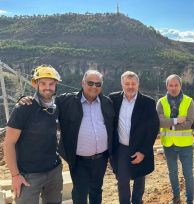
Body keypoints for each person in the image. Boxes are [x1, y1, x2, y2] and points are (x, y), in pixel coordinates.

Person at [18, 70, 115, 204]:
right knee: (80, 192)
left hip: (101, 158)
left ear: (101, 86)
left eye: (97, 84)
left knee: (97, 190)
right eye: (90, 83)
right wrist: (24, 98)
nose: (94, 87)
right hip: (78, 159)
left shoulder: (107, 102)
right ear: (82, 83)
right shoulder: (66, 101)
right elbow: (45, 100)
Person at [4, 65, 63, 204]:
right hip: (28, 175)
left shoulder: (55, 108)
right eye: (43, 83)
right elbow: (9, 143)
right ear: (35, 84)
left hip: (54, 171)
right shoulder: (24, 108)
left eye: (51, 84)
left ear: (56, 85)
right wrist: (15, 175)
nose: (47, 87)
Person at [109, 71, 159, 204]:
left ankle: (138, 202)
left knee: (139, 181)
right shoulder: (113, 99)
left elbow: (153, 129)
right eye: (127, 83)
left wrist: (143, 151)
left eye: (133, 84)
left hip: (140, 148)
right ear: (122, 84)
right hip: (121, 149)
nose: (130, 87)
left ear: (138, 84)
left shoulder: (148, 102)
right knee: (122, 181)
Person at [157, 74, 194, 204]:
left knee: (188, 174)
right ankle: (176, 197)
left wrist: (171, 126)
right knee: (172, 173)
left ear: (180, 86)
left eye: (176, 85)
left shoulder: (189, 101)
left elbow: (190, 122)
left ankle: (190, 200)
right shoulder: (161, 102)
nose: (173, 88)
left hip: (185, 144)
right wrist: (176, 121)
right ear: (167, 86)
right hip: (168, 145)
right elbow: (160, 122)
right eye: (170, 85)